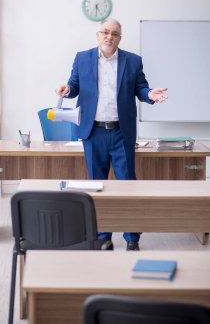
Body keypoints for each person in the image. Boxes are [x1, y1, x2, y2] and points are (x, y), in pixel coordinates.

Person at [55, 18, 167, 251]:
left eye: (114, 33)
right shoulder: (82, 58)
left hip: (121, 133)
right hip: (93, 132)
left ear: (119, 38)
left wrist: (150, 94)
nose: (109, 36)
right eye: (105, 32)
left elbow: (140, 88)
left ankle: (132, 237)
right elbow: (74, 85)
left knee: (128, 185)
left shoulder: (133, 61)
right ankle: (103, 235)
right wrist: (67, 90)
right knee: (97, 184)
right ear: (97, 35)